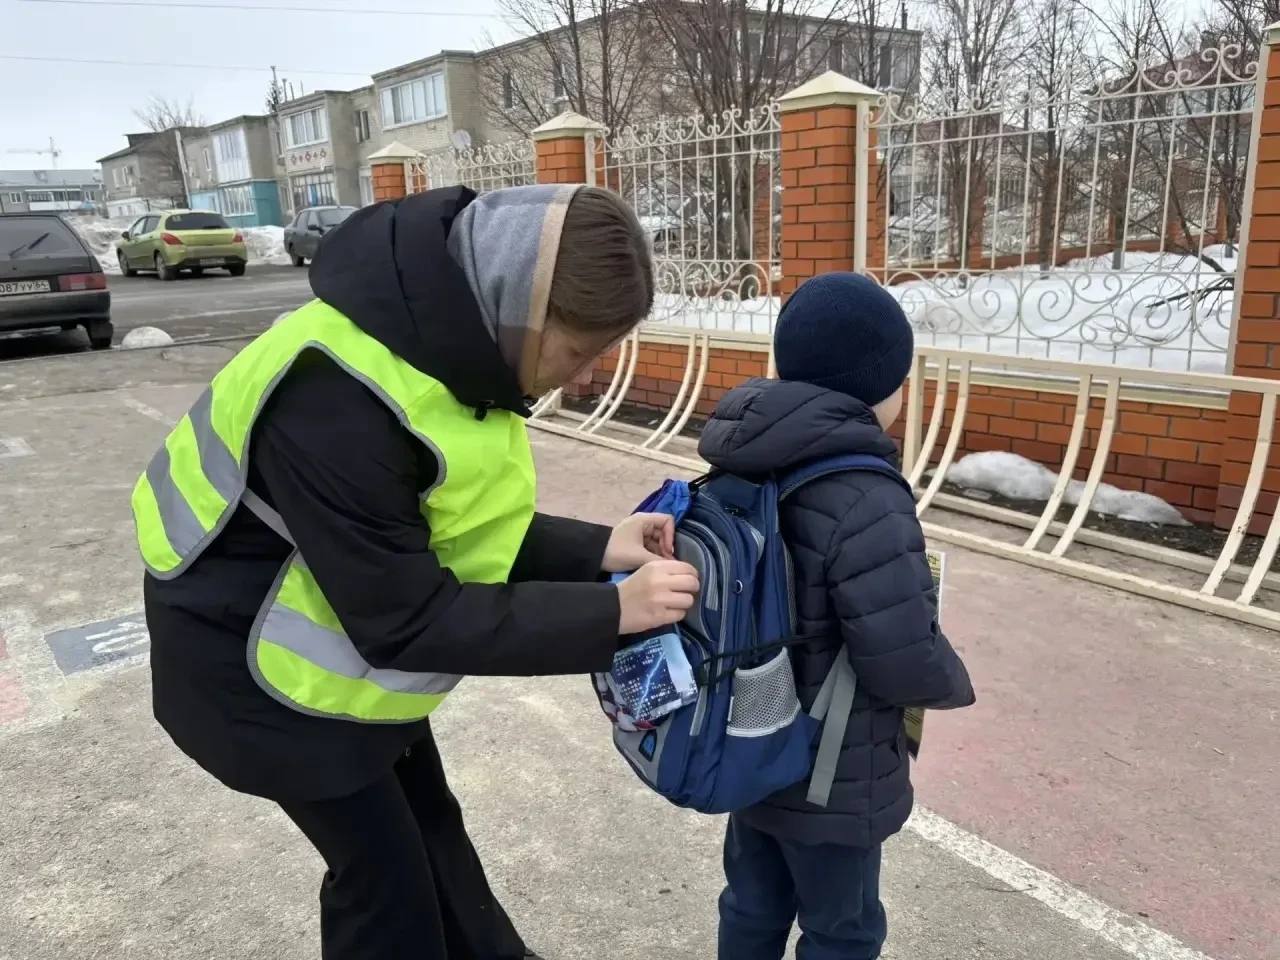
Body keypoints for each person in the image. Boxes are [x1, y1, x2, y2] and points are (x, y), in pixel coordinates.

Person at [131, 184, 701, 960]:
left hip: (335, 660)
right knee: (384, 882)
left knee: (433, 830)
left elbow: (451, 528)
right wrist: (613, 614)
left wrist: (602, 548)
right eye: (577, 352)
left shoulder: (450, 353)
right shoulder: (334, 398)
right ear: (518, 310)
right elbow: (409, 617)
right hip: (254, 676)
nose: (582, 378)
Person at [696, 271, 976, 960]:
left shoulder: (746, 458)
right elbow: (900, 648)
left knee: (752, 904)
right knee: (842, 930)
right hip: (831, 773)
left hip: (749, 736)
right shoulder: (868, 496)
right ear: (879, 386)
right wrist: (950, 682)